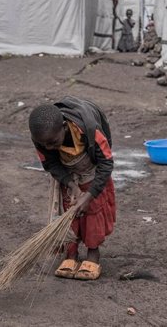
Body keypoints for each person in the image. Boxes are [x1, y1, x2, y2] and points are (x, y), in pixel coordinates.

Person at [28, 96, 116, 281]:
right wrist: (72, 187)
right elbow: (51, 164)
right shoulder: (41, 137)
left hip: (92, 174)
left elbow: (106, 164)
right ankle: (71, 255)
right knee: (69, 215)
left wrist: (89, 195)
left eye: (53, 142)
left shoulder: (89, 129)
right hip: (67, 177)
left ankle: (93, 254)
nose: (49, 147)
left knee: (92, 213)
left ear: (65, 127)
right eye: (45, 144)